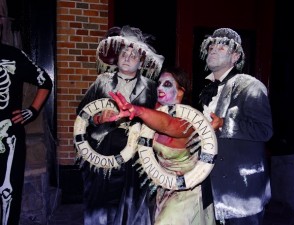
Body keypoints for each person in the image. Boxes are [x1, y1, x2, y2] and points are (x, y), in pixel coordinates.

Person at [75, 25, 164, 225]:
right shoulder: (102, 81)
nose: (127, 57)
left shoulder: (150, 87)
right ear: (117, 57)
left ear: (141, 62)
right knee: (101, 201)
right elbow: (82, 113)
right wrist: (97, 118)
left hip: (136, 152)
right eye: (124, 53)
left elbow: (158, 117)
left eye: (133, 55)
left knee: (133, 202)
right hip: (101, 148)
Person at [108, 67, 216, 225]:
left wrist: (138, 110)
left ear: (180, 92)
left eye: (167, 84)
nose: (159, 88)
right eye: (158, 84)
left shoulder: (190, 121)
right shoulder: (152, 118)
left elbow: (168, 124)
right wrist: (101, 119)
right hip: (163, 188)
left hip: (187, 193)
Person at [196, 28, 273, 225]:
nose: (213, 50)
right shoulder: (207, 89)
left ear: (235, 56)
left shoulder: (250, 86)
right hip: (211, 186)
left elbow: (265, 130)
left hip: (242, 194)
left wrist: (224, 123)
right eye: (211, 46)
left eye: (221, 47)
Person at [0, 43, 53, 225]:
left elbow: (45, 81)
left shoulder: (12, 54)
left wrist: (32, 111)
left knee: (9, 190)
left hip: (8, 134)